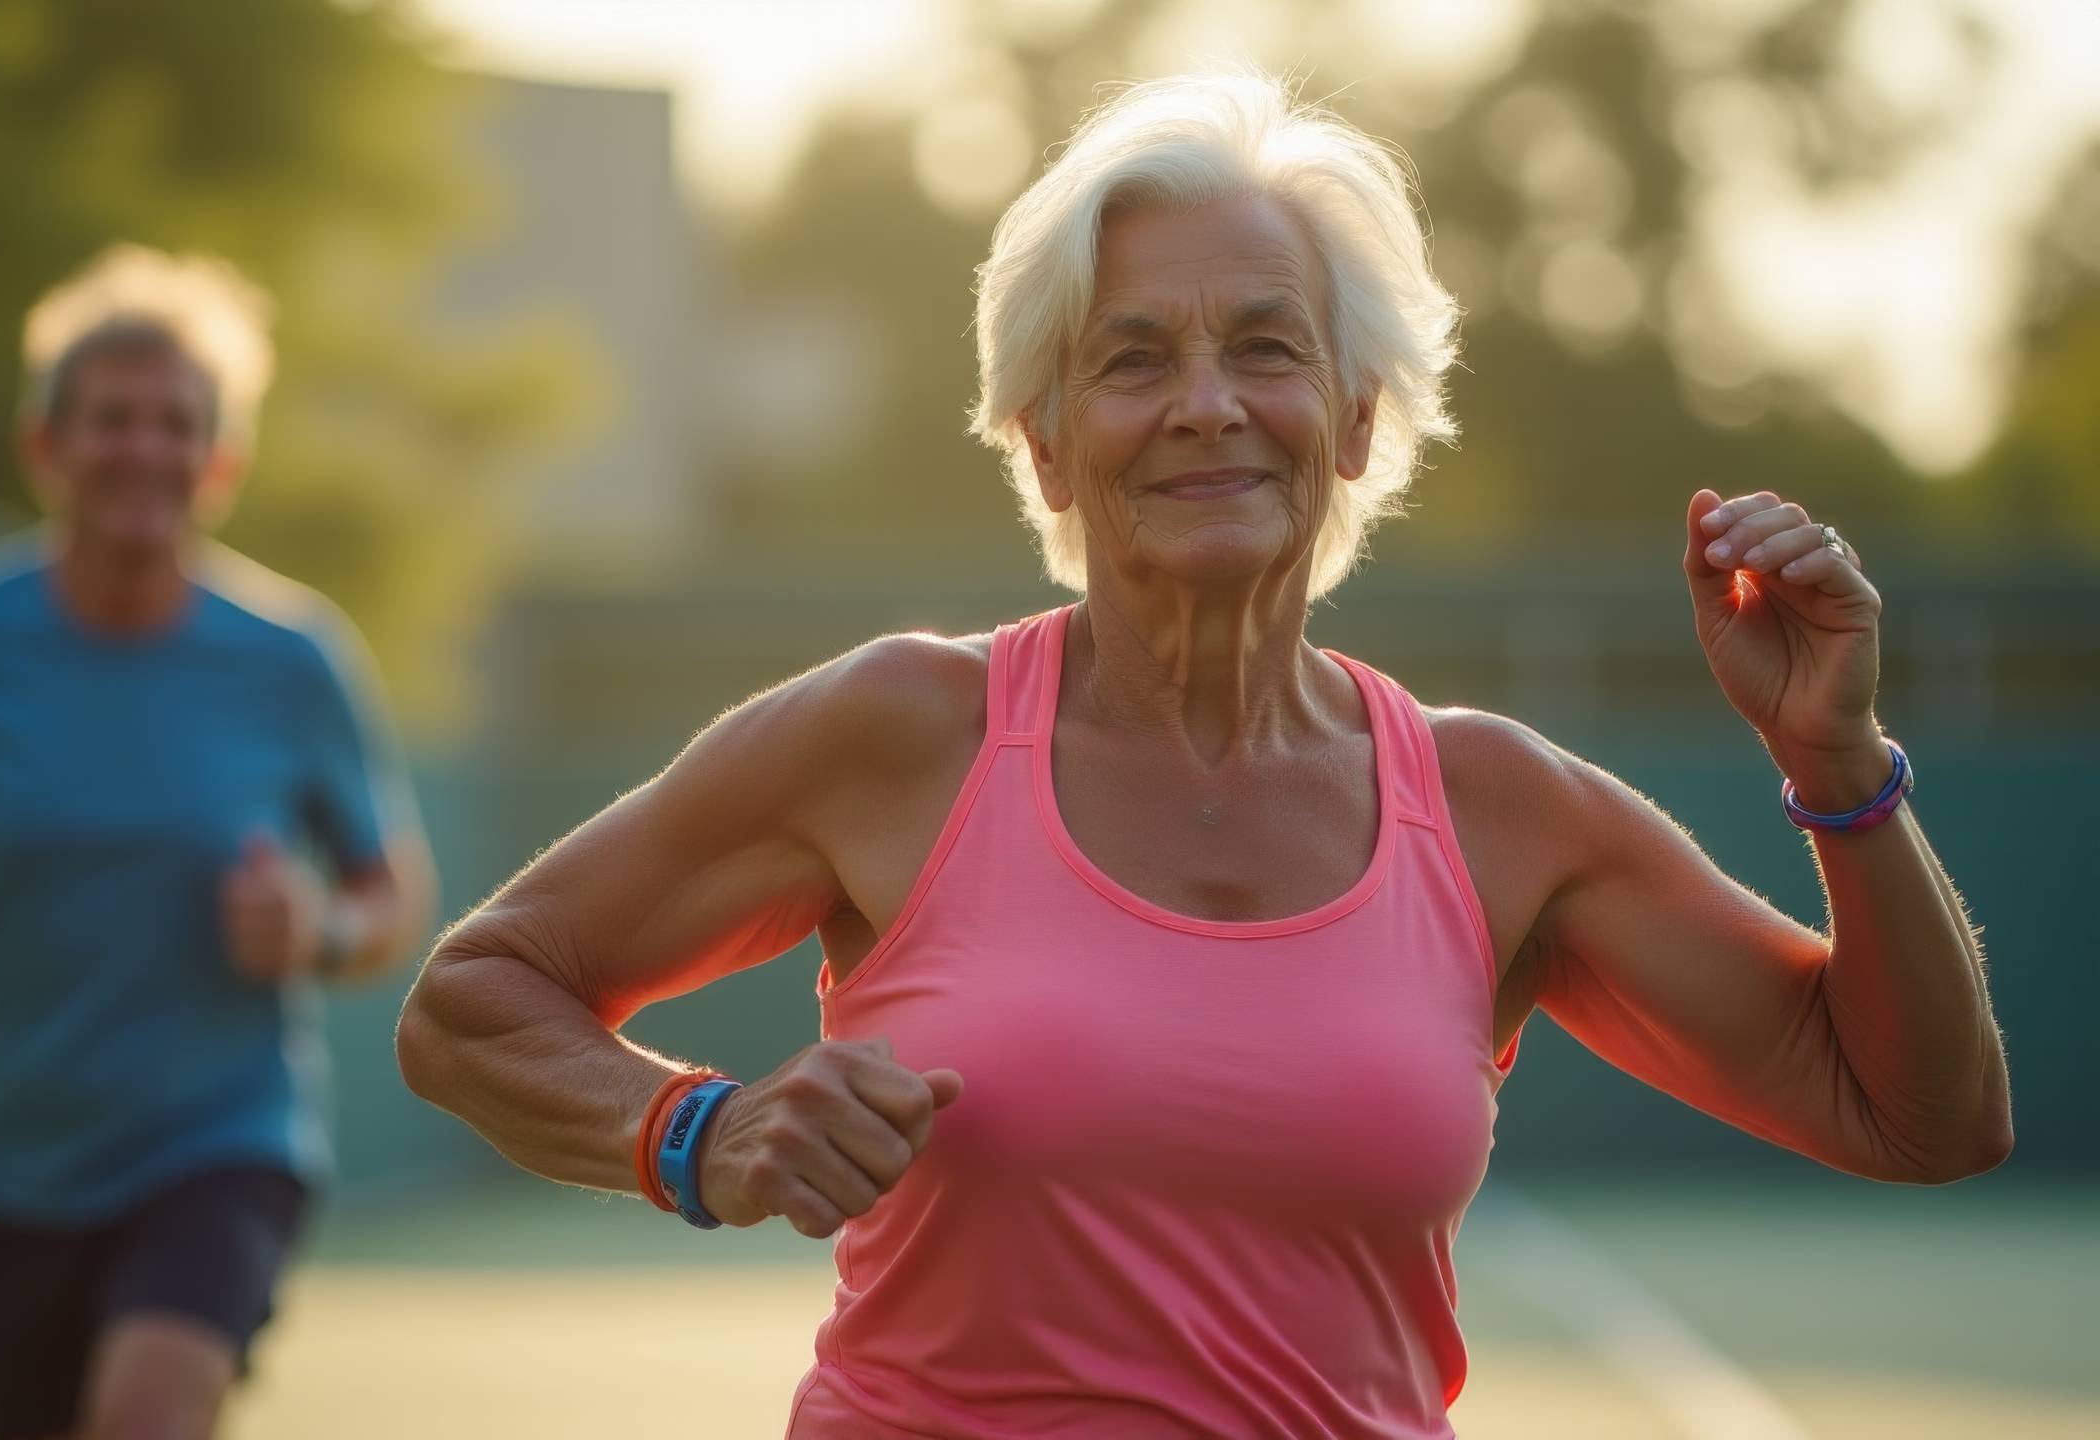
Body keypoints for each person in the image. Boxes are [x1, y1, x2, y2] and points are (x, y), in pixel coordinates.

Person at [395, 72, 2015, 1437]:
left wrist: (1837, 762)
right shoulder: (899, 734)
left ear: (1358, 418)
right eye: (1129, 359)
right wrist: (696, 1133)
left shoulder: (1494, 806)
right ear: (1041, 438)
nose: (1205, 406)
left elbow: (1918, 1116)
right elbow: (477, 1000)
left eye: (1265, 347)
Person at [0, 245, 440, 1440]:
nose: (144, 449)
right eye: (110, 419)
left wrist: (317, 928)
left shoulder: (292, 659)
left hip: (221, 1144)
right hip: (3, 1166)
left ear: (221, 461)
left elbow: (392, 892)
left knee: (143, 1418)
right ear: (45, 446)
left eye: (178, 424)